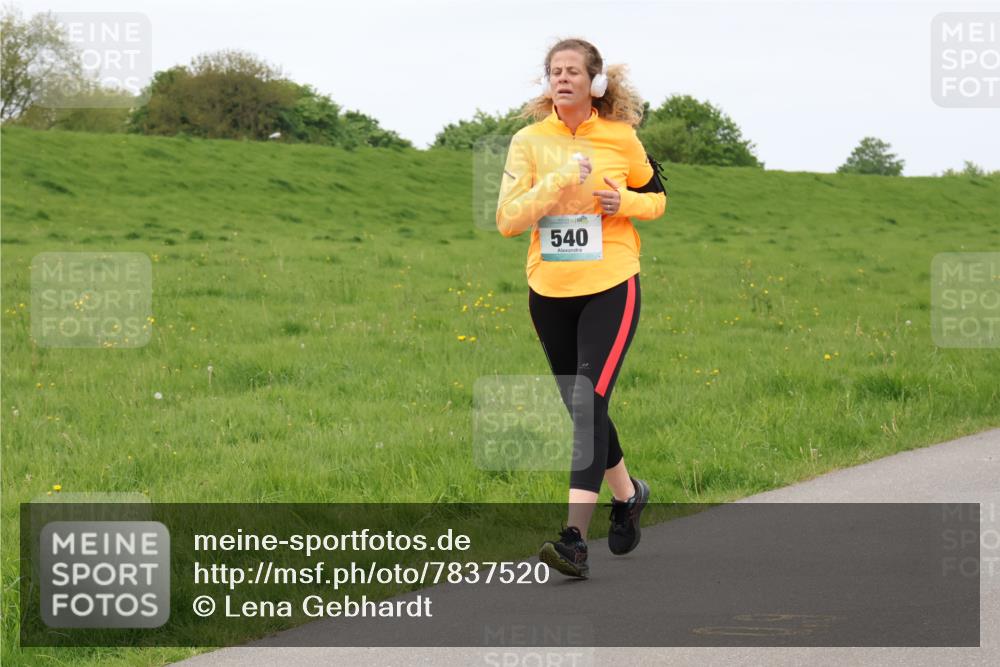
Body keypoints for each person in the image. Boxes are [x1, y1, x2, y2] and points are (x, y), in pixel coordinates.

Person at [495, 38, 667, 578]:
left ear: (594, 82)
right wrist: (559, 179)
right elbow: (507, 219)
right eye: (554, 71)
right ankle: (628, 494)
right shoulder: (527, 142)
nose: (562, 78)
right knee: (581, 408)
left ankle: (573, 539)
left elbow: (657, 198)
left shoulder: (621, 138)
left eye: (572, 71)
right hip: (548, 290)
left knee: (589, 405)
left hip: (610, 281)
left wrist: (627, 203)